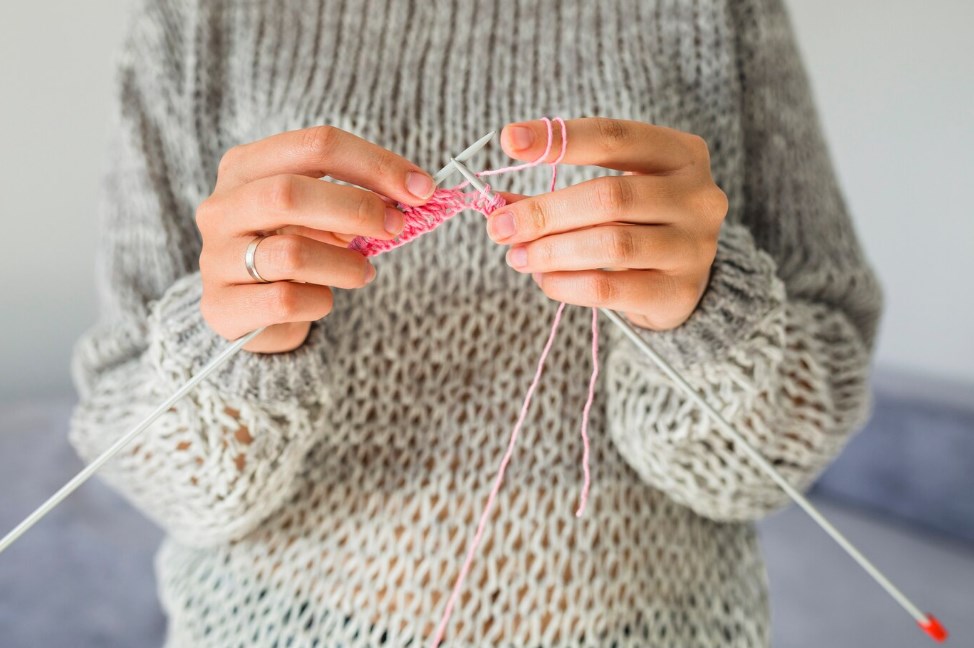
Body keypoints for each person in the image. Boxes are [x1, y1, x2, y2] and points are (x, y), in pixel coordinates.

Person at [69, 0, 883, 646]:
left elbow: (797, 427)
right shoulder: (201, 14)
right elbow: (127, 435)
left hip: (657, 627)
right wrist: (236, 345)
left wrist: (708, 316)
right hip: (267, 623)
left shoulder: (716, 10)